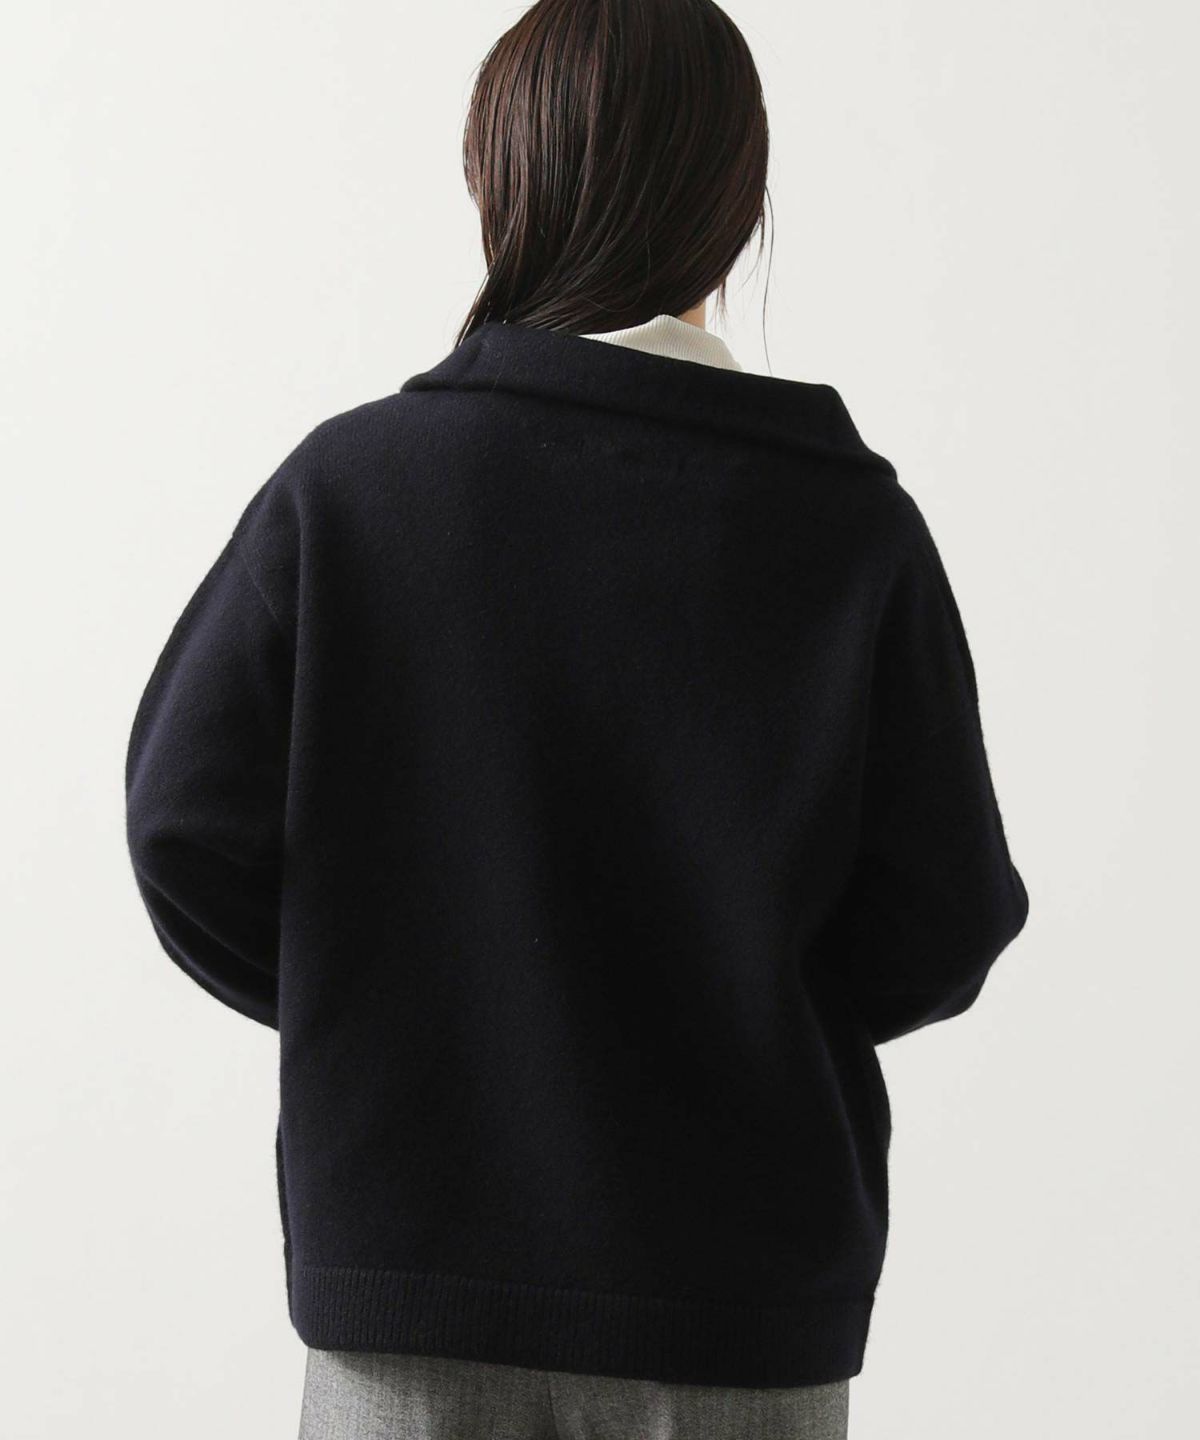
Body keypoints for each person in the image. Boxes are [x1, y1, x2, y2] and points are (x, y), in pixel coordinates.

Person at [123, 1, 1030, 1437]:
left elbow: (183, 829)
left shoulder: (353, 494)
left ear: (502, 190)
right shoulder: (853, 534)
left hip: (411, 1290)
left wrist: (415, 1007)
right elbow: (945, 921)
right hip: (737, 1309)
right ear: (737, 213)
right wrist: (729, 1009)